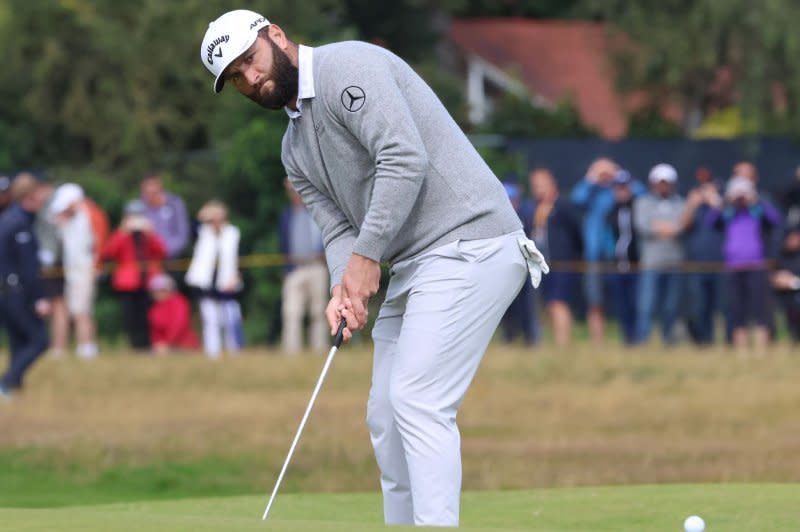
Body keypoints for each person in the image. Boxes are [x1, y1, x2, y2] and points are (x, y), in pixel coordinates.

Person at [200, 10, 548, 526]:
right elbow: (338, 228)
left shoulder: (349, 67)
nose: (251, 78)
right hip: (417, 264)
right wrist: (346, 287)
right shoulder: (293, 151)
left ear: (275, 36)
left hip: (473, 241)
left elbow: (403, 158)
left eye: (250, 60)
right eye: (236, 78)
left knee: (417, 398)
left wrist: (365, 262)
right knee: (385, 414)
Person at [571, 158, 645, 343]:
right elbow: (576, 198)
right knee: (595, 301)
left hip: (619, 256)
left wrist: (617, 172)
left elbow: (641, 193)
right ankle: (598, 341)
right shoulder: (592, 192)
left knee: (628, 300)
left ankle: (630, 338)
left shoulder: (619, 188)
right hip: (595, 255)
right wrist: (592, 177)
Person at [705, 176, 782, 352]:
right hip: (734, 267)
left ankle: (762, 350)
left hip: (756, 266)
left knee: (761, 310)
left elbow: (775, 219)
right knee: (737, 310)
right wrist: (724, 201)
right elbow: (710, 221)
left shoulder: (756, 211)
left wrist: (756, 200)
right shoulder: (728, 213)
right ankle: (742, 350)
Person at [0, 174, 52, 397]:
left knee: (18, 342)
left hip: (6, 291)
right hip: (16, 293)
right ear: (29, 196)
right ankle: (6, 382)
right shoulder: (19, 223)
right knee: (39, 340)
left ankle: (13, 388)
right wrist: (39, 297)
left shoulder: (9, 219)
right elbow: (28, 268)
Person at [523, 168, 583, 347]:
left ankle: (562, 344)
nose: (538, 188)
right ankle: (542, 342)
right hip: (538, 264)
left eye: (542, 183)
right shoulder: (531, 208)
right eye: (535, 184)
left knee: (558, 302)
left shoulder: (563, 206)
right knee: (543, 305)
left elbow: (576, 232)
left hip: (560, 263)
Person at [102, 200, 167, 351]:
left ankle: (148, 344)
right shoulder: (122, 233)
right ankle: (134, 344)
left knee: (148, 315)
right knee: (130, 316)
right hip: (128, 283)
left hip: (147, 282)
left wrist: (151, 233)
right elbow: (110, 253)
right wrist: (122, 232)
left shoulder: (147, 234)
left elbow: (161, 252)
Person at [633, 163, 686, 345]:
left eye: (666, 182)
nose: (663, 186)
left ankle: (668, 341)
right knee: (646, 306)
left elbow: (683, 225)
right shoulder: (643, 202)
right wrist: (670, 227)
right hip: (651, 264)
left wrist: (666, 227)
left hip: (674, 263)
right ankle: (642, 341)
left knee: (671, 306)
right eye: (660, 182)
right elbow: (644, 225)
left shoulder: (680, 202)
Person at [185, 200, 244, 358]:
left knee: (231, 317)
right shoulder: (202, 232)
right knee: (211, 319)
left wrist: (237, 275)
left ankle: (235, 349)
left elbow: (237, 256)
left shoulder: (232, 233)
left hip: (227, 281)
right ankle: (213, 352)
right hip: (205, 283)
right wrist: (202, 216)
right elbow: (190, 230)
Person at [49, 183, 98, 359]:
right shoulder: (71, 218)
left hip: (83, 269)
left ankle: (87, 347)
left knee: (81, 310)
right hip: (72, 270)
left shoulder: (86, 214)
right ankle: (81, 347)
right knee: (76, 309)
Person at [278, 178, 328, 353]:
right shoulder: (286, 215)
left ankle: (319, 349)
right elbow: (283, 244)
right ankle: (291, 351)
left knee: (318, 311)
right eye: (291, 191)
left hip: (317, 266)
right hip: (295, 268)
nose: (295, 194)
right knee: (291, 311)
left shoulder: (317, 213)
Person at [679, 167, 724, 346]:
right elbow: (682, 226)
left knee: (718, 306)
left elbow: (730, 221)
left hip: (719, 263)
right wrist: (692, 204)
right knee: (698, 306)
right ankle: (702, 341)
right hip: (696, 264)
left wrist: (716, 202)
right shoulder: (692, 203)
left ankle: (719, 341)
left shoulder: (721, 204)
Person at [31, 177, 68, 358]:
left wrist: (49, 257)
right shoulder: (46, 205)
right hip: (47, 261)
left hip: (53, 263)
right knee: (49, 305)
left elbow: (54, 236)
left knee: (57, 304)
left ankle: (58, 346)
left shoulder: (54, 203)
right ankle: (51, 344)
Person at [606, 169, 644, 345]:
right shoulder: (611, 211)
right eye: (618, 187)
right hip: (618, 266)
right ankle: (627, 339)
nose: (621, 191)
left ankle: (639, 339)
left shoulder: (639, 206)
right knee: (623, 306)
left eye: (625, 187)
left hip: (636, 266)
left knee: (638, 305)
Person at [500, 180, 538, 345]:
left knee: (527, 306)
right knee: (507, 306)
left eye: (513, 200)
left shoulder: (527, 215)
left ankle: (530, 339)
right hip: (505, 270)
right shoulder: (498, 220)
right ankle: (509, 338)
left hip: (526, 268)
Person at [140, 173, 190, 260]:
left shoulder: (175, 204)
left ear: (160, 188)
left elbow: (182, 235)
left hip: (170, 258)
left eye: (154, 192)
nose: (150, 196)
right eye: (147, 193)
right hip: (145, 260)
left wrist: (163, 250)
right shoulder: (138, 207)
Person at [147, 273, 200, 354]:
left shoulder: (179, 302)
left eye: (162, 290)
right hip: (164, 347)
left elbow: (179, 325)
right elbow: (155, 331)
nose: (158, 293)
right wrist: (158, 344)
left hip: (183, 345)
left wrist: (167, 344)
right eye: (155, 291)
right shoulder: (154, 308)